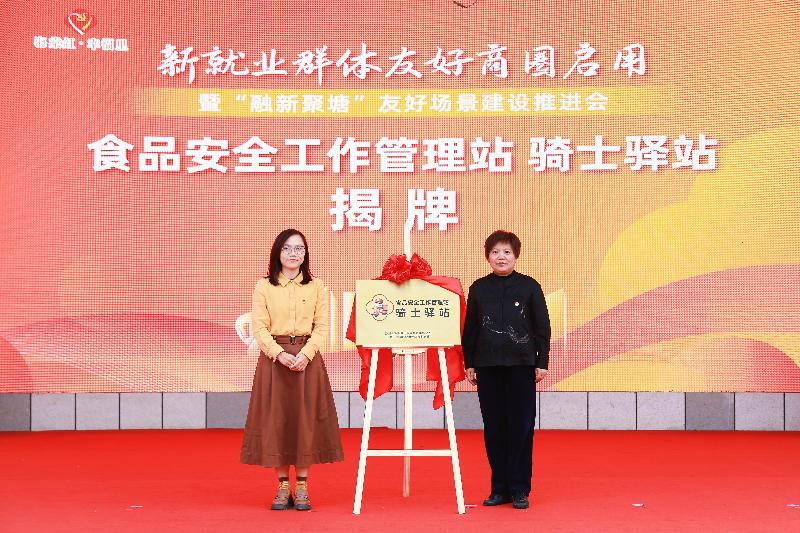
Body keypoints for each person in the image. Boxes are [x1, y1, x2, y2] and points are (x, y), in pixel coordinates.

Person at [240, 229, 344, 511]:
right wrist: (279, 354)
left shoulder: (317, 286)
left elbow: (322, 327)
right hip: (275, 360)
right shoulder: (264, 286)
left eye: (299, 249)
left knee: (305, 421)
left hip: (307, 360)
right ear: (277, 252)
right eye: (287, 248)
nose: (293, 254)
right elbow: (259, 327)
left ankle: (302, 486)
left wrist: (306, 354)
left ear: (305, 254)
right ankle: (283, 485)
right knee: (278, 421)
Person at [461, 230, 551, 510]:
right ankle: (499, 488)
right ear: (488, 256)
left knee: (521, 427)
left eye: (507, 252)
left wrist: (542, 362)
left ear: (516, 256)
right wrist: (469, 362)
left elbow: (542, 327)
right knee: (494, 428)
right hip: (487, 366)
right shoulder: (478, 288)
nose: (501, 257)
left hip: (521, 365)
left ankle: (520, 489)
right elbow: (470, 328)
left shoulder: (529, 287)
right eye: (495, 252)